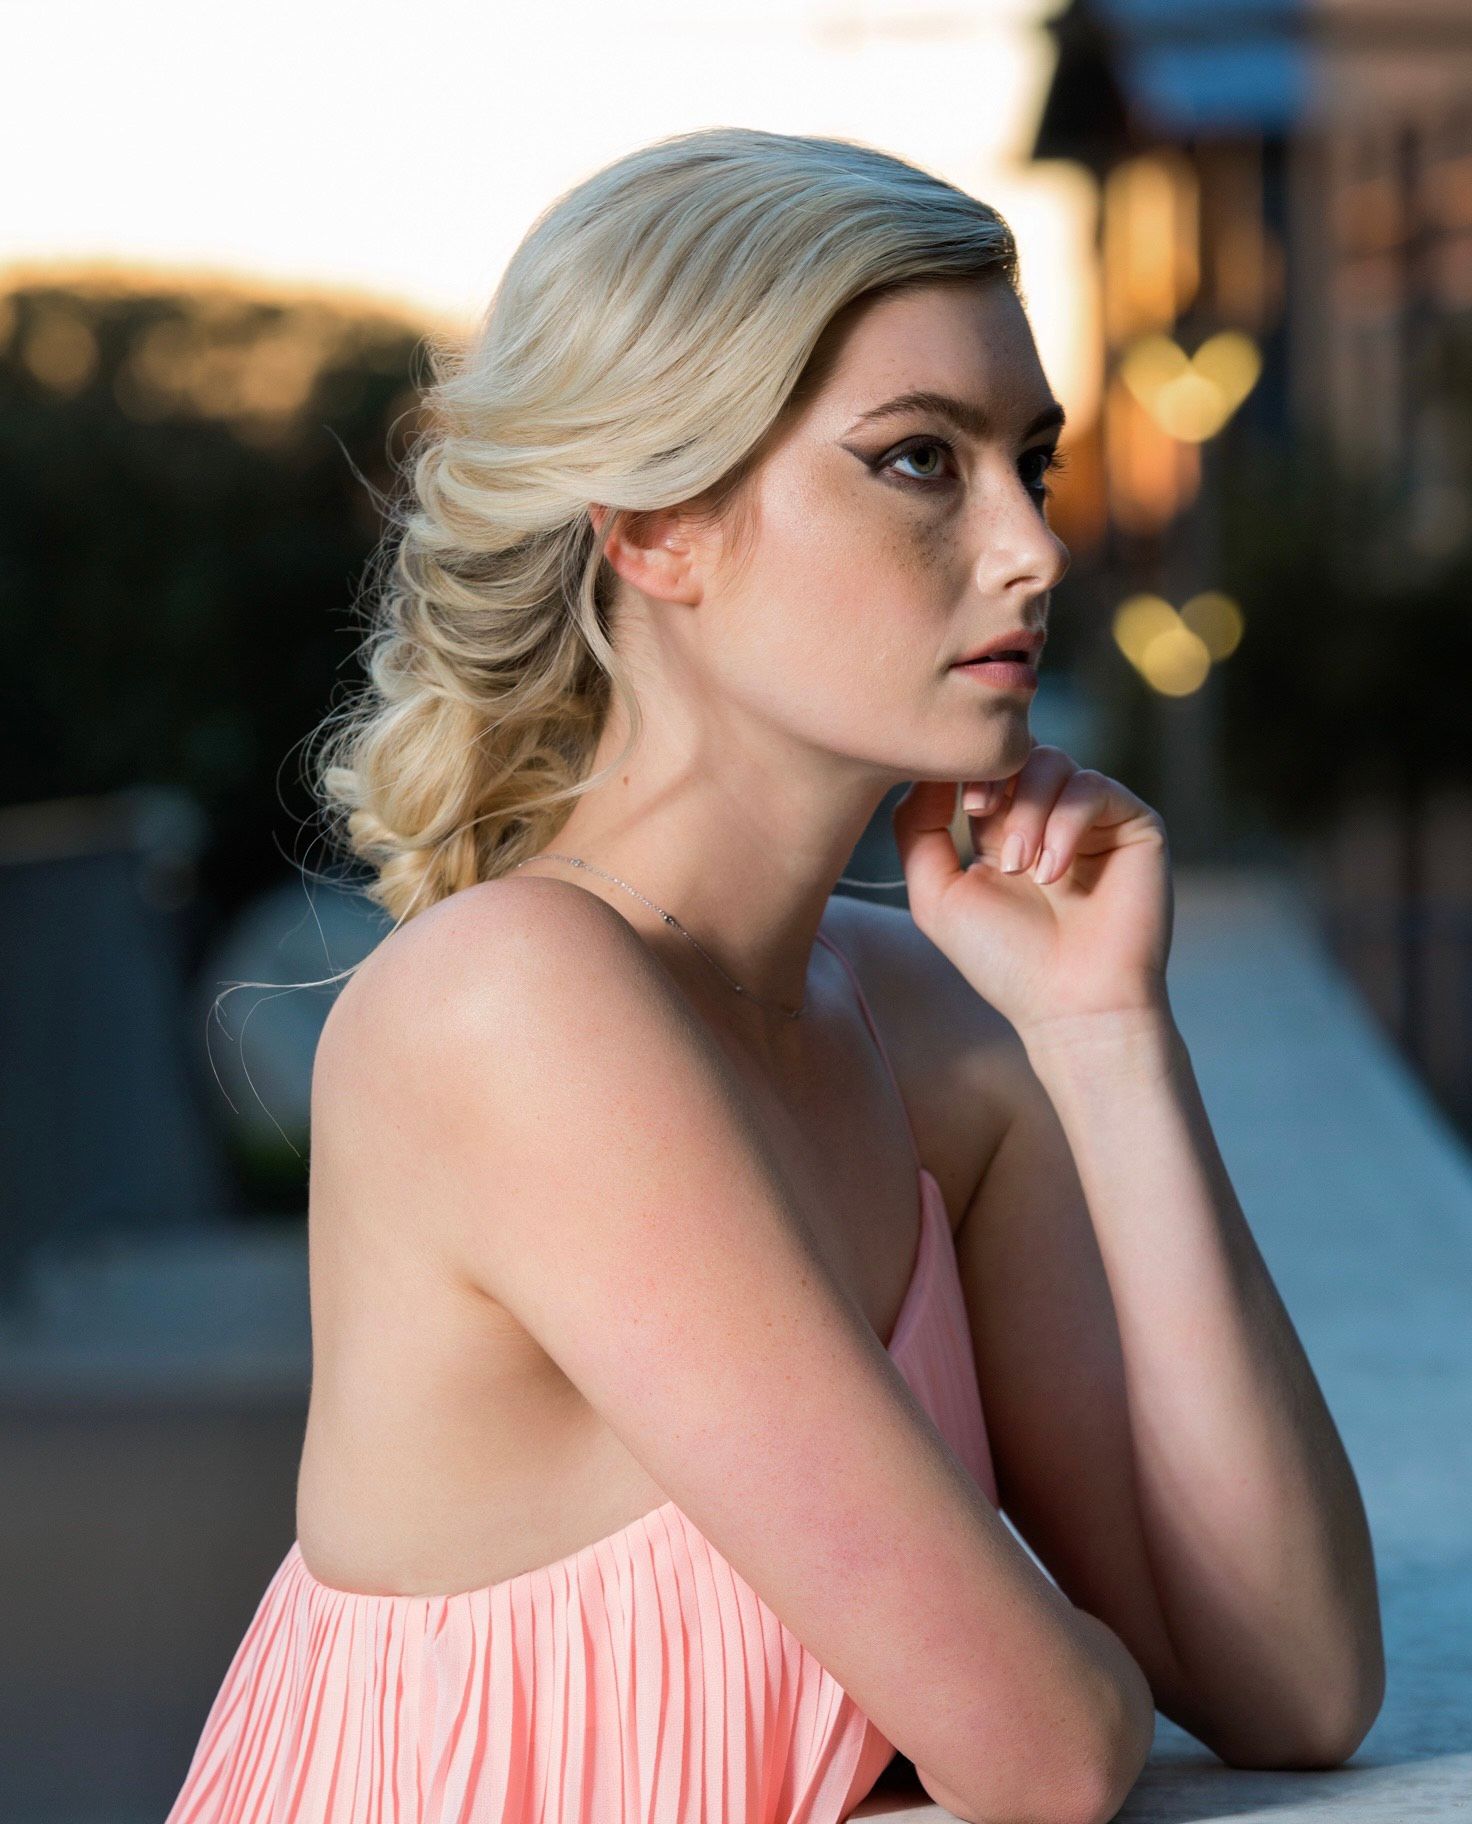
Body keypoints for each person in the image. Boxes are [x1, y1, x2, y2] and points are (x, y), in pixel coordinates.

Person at [165, 125, 1383, 1824]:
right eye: (919, 462)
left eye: (1032, 462)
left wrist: (1109, 1036)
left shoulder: (928, 1019)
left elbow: (1297, 1685)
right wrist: (1053, 1659)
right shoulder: (511, 1003)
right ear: (658, 526)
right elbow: (1042, 1750)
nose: (1035, 548)